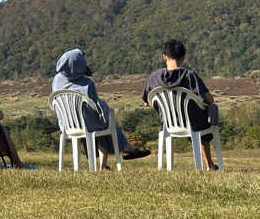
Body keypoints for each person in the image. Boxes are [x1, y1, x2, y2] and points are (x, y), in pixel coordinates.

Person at [52, 49, 150, 168]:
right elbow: (96, 105)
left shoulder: (56, 80)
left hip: (67, 125)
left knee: (98, 124)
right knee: (108, 123)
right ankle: (127, 149)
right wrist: (106, 113)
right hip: (87, 124)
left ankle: (116, 157)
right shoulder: (87, 83)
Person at [141, 39, 219, 171]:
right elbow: (209, 99)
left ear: (164, 57)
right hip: (193, 123)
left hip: (168, 123)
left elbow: (146, 102)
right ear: (183, 58)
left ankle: (165, 167)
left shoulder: (154, 77)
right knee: (207, 114)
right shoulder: (190, 76)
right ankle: (209, 165)